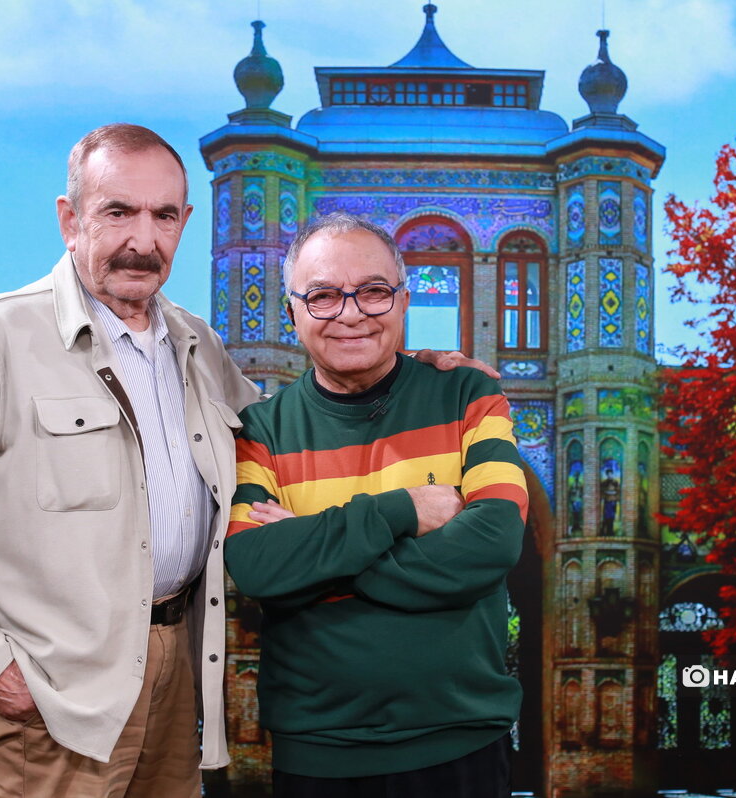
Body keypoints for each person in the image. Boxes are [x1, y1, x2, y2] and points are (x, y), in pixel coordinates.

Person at [0, 124, 495, 798]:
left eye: (163, 215)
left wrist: (400, 365)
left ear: (185, 222)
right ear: (70, 219)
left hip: (178, 674)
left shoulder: (194, 344)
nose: (144, 239)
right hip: (58, 690)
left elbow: (293, 426)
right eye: (118, 212)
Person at [225, 213, 529, 798]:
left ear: (403, 300)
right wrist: (400, 512)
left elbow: (493, 542)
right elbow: (258, 566)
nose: (350, 313)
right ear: (291, 312)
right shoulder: (260, 429)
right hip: (318, 752)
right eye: (322, 296)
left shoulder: (468, 394)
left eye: (373, 291)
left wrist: (316, 550)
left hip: (461, 739)